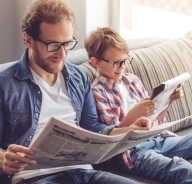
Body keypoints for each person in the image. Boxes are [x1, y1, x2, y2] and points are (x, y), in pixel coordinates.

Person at [0, 1, 156, 184]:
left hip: (85, 173)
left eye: (67, 44)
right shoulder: (5, 85)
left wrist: (128, 130)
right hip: (34, 177)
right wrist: (3, 159)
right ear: (28, 40)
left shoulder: (79, 78)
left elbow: (93, 129)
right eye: (52, 45)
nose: (62, 54)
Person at [84, 27, 192, 183]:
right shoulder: (97, 92)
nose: (122, 66)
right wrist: (132, 116)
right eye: (116, 63)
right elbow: (112, 138)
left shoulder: (132, 80)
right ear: (95, 61)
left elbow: (155, 120)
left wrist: (169, 101)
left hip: (159, 139)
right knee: (185, 171)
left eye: (125, 60)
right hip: (134, 152)